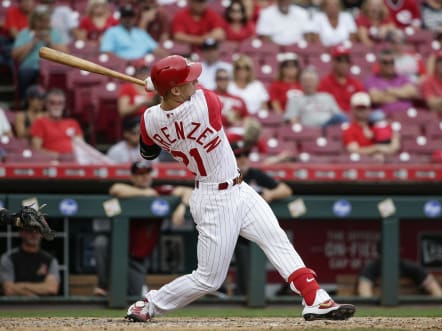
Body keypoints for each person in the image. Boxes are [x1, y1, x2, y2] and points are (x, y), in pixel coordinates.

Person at [125, 54, 356, 322]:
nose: (196, 80)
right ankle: (150, 303)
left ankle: (315, 298)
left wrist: (160, 95)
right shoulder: (205, 104)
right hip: (213, 199)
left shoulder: (149, 119)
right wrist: (161, 88)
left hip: (239, 189)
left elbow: (148, 152)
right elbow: (200, 93)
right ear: (176, 90)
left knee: (275, 238)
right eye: (188, 79)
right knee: (209, 279)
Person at [93, 160, 193, 297]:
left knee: (138, 297)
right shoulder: (129, 192)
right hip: (116, 252)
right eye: (140, 174)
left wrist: (181, 207)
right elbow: (115, 188)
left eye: (147, 173)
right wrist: (147, 193)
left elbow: (187, 190)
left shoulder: (160, 192)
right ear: (133, 177)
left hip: (137, 259)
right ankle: (103, 286)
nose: (145, 176)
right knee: (101, 242)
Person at [230, 140, 293, 296]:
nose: (243, 159)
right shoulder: (224, 176)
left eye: (246, 155)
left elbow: (286, 189)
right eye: (238, 156)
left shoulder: (255, 175)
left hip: (254, 228)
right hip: (232, 229)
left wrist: (270, 194)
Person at [11, 7, 68, 102]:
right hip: (30, 67)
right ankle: (24, 103)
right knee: (25, 74)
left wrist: (50, 43)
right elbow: (15, 55)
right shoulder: (25, 33)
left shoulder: (54, 33)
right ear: (34, 20)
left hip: (51, 68)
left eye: (44, 20)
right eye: (39, 20)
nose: (42, 23)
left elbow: (66, 54)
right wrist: (33, 42)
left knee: (60, 76)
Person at [357, 242, 442, 298]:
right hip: (379, 309)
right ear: (380, 253)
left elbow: (438, 292)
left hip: (412, 309)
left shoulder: (409, 266)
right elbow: (365, 295)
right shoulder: (372, 267)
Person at [0, 227, 60, 296]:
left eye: (37, 231)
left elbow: (52, 288)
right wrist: (33, 294)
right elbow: (8, 290)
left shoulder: (50, 260)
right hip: (16, 305)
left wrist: (23, 286)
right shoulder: (9, 258)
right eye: (30, 231)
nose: (34, 234)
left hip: (43, 306)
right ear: (21, 233)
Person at [342, 92, 400, 162]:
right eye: (358, 108)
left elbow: (394, 144)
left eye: (364, 108)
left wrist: (382, 150)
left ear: (369, 109)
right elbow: (353, 150)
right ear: (353, 109)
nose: (361, 111)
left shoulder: (379, 125)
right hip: (361, 165)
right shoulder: (349, 130)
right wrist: (376, 149)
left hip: (384, 165)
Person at [284, 67, 349, 128]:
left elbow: (338, 113)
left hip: (328, 125)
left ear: (318, 83)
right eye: (305, 81)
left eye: (311, 80)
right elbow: (291, 119)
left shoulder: (327, 97)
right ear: (300, 83)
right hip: (308, 128)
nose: (308, 83)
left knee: (341, 117)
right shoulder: (295, 99)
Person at [30, 88, 84, 158]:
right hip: (52, 164)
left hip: (74, 162)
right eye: (52, 103)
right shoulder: (40, 122)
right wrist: (60, 157)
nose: (56, 106)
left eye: (60, 103)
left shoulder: (73, 123)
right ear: (46, 104)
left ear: (64, 105)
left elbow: (81, 147)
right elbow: (36, 150)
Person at [100, 5, 166, 61]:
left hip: (144, 64)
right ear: (120, 19)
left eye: (130, 17)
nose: (128, 20)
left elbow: (155, 49)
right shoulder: (112, 32)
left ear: (134, 19)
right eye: (125, 17)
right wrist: (121, 62)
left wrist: (168, 58)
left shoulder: (140, 32)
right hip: (124, 65)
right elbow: (107, 51)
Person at [364, 48, 418, 115]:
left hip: (407, 113)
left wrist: (388, 91)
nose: (389, 65)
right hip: (385, 115)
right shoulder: (371, 79)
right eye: (385, 62)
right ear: (379, 64)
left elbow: (412, 93)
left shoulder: (402, 77)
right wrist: (403, 95)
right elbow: (375, 98)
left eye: (392, 62)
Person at [317, 45, 365, 112]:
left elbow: (363, 104)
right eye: (339, 60)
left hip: (352, 117)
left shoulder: (356, 83)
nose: (343, 64)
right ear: (333, 62)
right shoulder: (325, 82)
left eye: (346, 61)